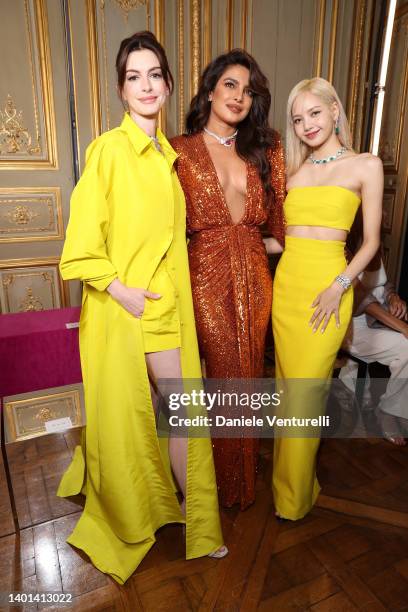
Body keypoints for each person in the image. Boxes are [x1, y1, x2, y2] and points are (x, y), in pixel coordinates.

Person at [57, 31, 226, 585]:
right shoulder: (108, 150)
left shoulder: (168, 156)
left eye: (155, 74)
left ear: (169, 84)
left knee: (170, 412)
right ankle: (193, 519)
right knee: (177, 412)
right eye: (135, 76)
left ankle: (183, 511)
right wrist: (119, 289)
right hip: (133, 309)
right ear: (121, 89)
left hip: (169, 306)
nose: (147, 85)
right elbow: (81, 245)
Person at [171, 49, 285, 510]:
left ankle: (240, 480)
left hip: (257, 280)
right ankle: (208, 484)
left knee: (249, 374)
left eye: (248, 89)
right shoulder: (179, 150)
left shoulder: (266, 150)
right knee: (216, 377)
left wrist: (254, 252)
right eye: (231, 84)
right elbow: (166, 228)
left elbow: (279, 229)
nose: (239, 96)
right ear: (210, 89)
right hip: (202, 277)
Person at [271, 77, 383, 521]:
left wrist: (338, 286)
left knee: (306, 395)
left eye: (314, 113)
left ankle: (292, 500)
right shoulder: (292, 174)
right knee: (286, 394)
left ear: (335, 110)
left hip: (329, 289)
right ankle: (292, 487)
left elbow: (371, 242)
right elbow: (283, 242)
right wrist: (233, 244)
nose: (306, 125)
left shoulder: (365, 165)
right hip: (288, 290)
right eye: (298, 119)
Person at [340, 253, 408, 445]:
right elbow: (362, 300)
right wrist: (402, 326)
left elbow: (383, 284)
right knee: (406, 346)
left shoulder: (373, 245)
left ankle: (396, 409)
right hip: (351, 325)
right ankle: (388, 412)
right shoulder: (343, 249)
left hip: (378, 320)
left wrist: (393, 297)